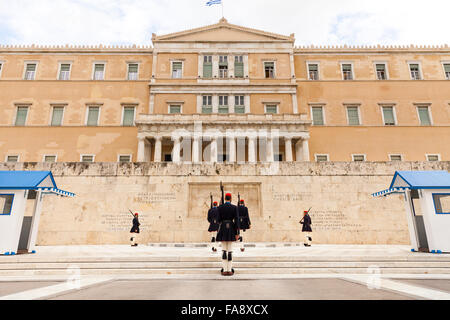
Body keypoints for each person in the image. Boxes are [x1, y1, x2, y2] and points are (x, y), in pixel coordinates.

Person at [216, 193, 240, 276]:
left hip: (223, 228)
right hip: (231, 228)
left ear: (225, 198)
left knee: (223, 250)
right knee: (230, 250)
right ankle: (229, 270)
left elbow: (218, 220)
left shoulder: (220, 207)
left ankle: (224, 269)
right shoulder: (234, 207)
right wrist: (237, 233)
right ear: (231, 198)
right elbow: (236, 220)